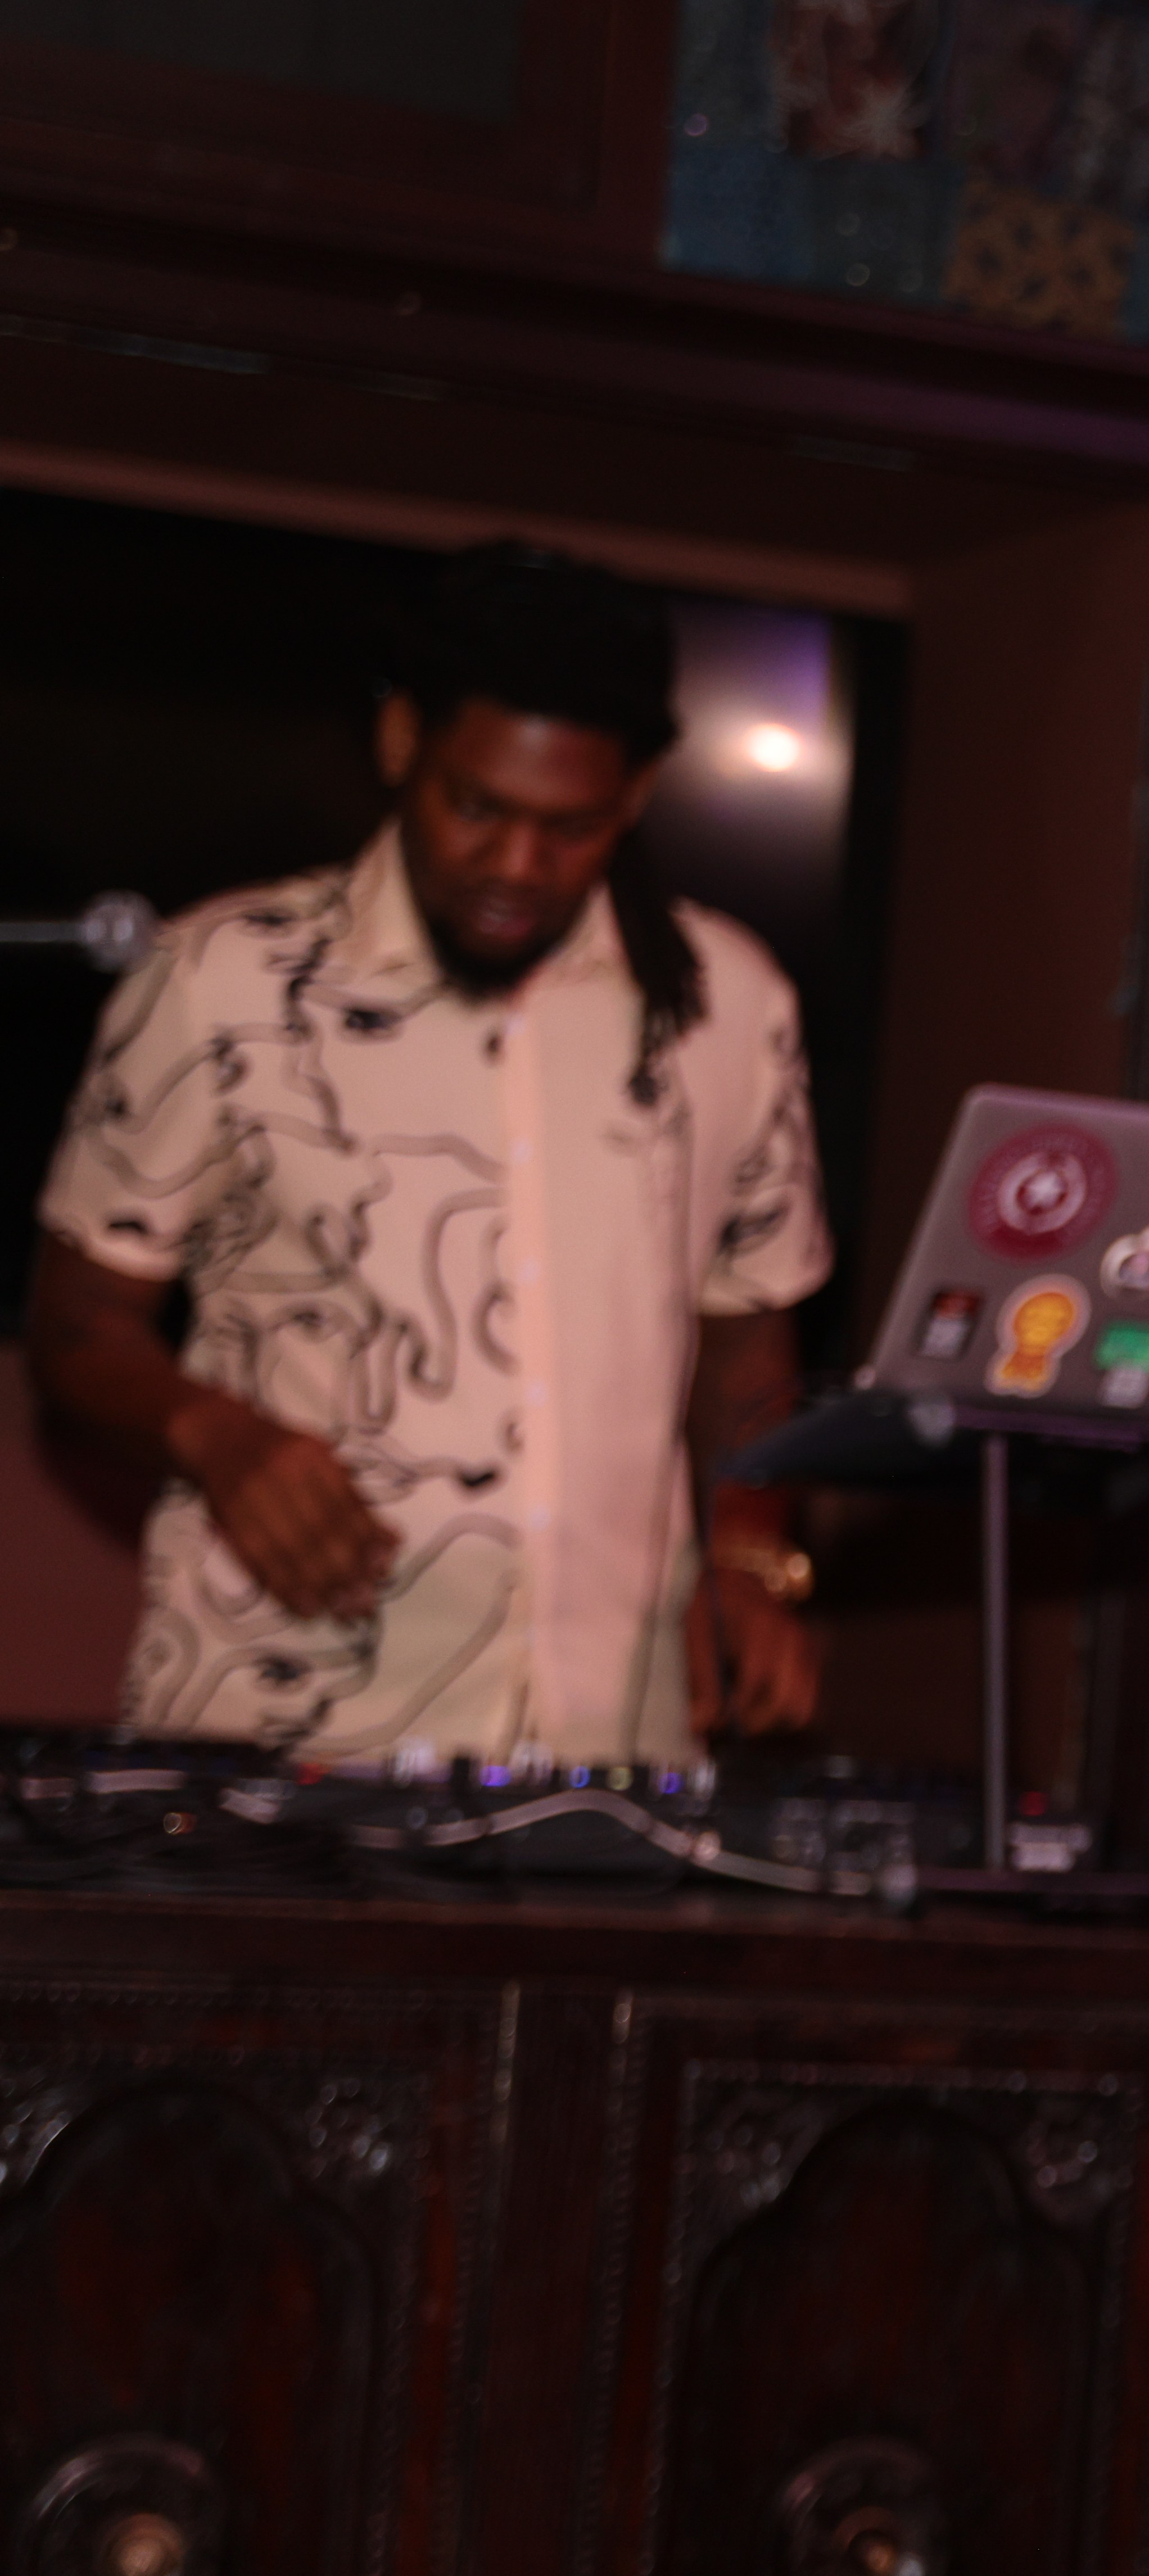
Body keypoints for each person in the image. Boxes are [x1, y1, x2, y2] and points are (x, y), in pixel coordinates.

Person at [29, 541, 833, 1764]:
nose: (517, 865)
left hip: (609, 1751)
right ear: (403, 741)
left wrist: (749, 1556)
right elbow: (78, 1326)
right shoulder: (222, 980)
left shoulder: (732, 1000)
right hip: (278, 1738)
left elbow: (749, 1318)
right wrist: (220, 1437)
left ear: (638, 789)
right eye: (478, 806)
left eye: (569, 827)